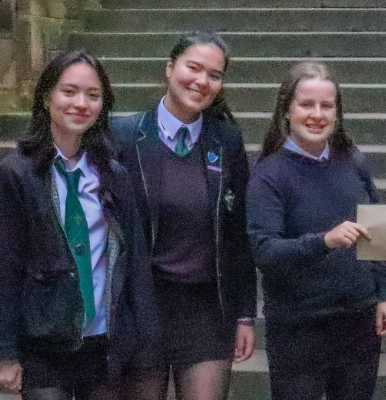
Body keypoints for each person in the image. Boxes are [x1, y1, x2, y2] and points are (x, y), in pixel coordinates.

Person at [0, 50, 155, 400]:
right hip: (43, 341)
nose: (81, 103)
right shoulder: (16, 175)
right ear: (47, 97)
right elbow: (3, 268)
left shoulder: (114, 174)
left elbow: (132, 261)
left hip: (104, 343)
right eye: (69, 91)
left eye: (93, 95)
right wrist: (3, 351)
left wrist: (142, 337)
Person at [111, 31, 257, 399]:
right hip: (141, 308)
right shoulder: (124, 135)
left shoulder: (226, 141)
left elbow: (238, 232)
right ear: (169, 68)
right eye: (193, 68)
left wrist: (244, 314)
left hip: (207, 311)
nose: (202, 81)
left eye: (214, 75)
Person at [248, 62, 386, 400]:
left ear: (337, 112)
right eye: (307, 104)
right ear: (287, 109)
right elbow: (265, 252)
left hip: (357, 324)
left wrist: (382, 292)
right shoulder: (269, 175)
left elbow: (377, 229)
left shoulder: (351, 159)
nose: (317, 114)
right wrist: (324, 241)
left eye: (327, 105)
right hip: (298, 330)